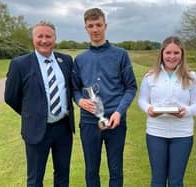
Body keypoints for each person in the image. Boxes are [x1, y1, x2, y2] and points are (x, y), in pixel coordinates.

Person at [72, 8, 137, 187]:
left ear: (105, 26)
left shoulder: (121, 55)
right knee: (91, 170)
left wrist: (119, 112)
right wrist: (79, 100)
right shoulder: (80, 59)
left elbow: (131, 87)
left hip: (115, 121)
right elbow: (75, 89)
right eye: (91, 26)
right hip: (89, 122)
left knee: (116, 170)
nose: (95, 29)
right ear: (86, 28)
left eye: (98, 25)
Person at [4, 21, 75, 187]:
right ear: (33, 39)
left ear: (55, 39)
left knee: (63, 176)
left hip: (63, 129)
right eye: (40, 36)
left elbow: (70, 90)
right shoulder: (20, 64)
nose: (44, 40)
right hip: (36, 130)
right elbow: (11, 97)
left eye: (48, 36)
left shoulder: (66, 60)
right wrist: (32, 113)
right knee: (35, 179)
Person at [138, 36, 196, 187]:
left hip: (182, 135)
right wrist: (149, 109)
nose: (172, 57)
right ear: (161, 53)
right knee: (157, 180)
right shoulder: (150, 76)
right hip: (156, 133)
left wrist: (185, 111)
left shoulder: (192, 77)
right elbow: (142, 100)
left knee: (175, 180)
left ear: (182, 54)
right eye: (168, 53)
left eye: (176, 53)